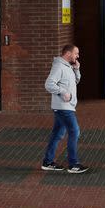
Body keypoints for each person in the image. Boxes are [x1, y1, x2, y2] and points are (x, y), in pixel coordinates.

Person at [41, 44, 89, 173]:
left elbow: (75, 82)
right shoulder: (58, 67)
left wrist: (77, 70)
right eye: (76, 53)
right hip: (63, 107)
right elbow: (49, 84)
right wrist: (63, 92)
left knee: (57, 134)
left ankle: (48, 162)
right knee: (74, 131)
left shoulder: (68, 67)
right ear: (68, 54)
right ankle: (73, 164)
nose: (77, 56)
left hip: (66, 106)